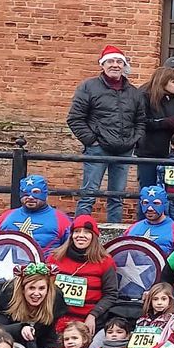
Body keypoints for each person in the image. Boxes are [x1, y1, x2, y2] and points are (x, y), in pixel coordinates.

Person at [68, 44, 145, 223]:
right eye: (110, 61)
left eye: (119, 61)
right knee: (88, 194)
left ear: (124, 66)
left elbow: (140, 120)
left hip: (124, 150)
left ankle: (115, 235)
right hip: (98, 149)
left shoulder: (134, 92)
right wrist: (91, 141)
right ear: (102, 65)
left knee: (117, 197)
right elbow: (75, 118)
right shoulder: (88, 87)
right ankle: (80, 231)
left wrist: (134, 139)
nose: (115, 65)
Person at [48, 214, 120, 331]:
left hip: (87, 323)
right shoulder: (54, 258)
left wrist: (93, 315)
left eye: (86, 232)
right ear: (71, 235)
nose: (81, 235)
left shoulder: (105, 261)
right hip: (56, 320)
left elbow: (111, 294)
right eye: (77, 231)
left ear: (94, 236)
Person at [0, 174, 72, 254]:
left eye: (36, 193)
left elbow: (72, 250)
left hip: (46, 270)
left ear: (45, 194)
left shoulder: (62, 220)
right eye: (25, 193)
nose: (30, 197)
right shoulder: (5, 217)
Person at [124, 185, 174, 251]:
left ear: (164, 204)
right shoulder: (132, 229)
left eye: (156, 203)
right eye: (146, 203)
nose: (150, 208)